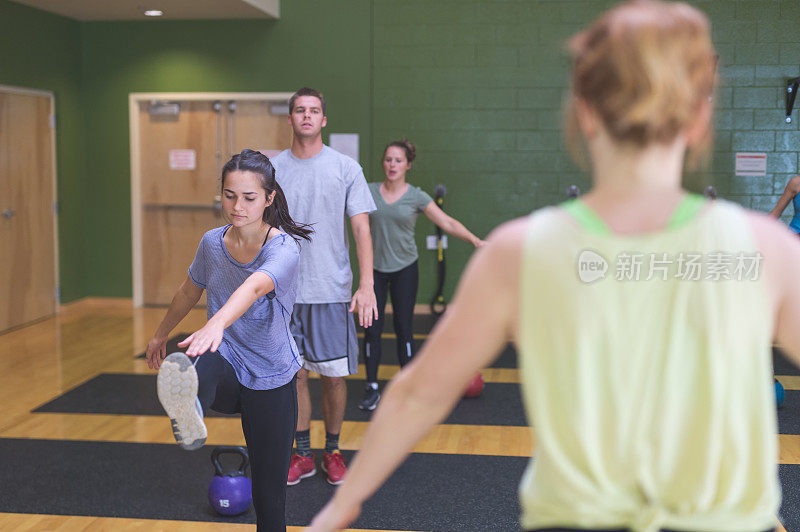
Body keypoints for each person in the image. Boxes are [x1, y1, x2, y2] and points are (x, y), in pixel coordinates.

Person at [307, 1, 800, 531]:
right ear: (700, 116)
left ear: (584, 110)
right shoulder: (766, 249)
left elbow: (420, 394)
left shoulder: (520, 251)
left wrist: (343, 504)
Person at [145, 149, 312, 532]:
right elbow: (188, 291)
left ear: (269, 198)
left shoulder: (283, 248)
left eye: (249, 197)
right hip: (228, 367)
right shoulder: (211, 243)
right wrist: (160, 333)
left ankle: (196, 396)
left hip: (272, 376)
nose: (237, 206)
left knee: (270, 503)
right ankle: (191, 409)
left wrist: (216, 322)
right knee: (199, 356)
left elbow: (254, 286)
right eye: (230, 195)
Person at [270, 87, 378, 486]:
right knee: (294, 376)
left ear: (324, 120)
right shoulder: (273, 170)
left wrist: (365, 285)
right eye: (300, 110)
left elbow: (362, 228)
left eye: (314, 111)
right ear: (290, 119)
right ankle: (302, 453)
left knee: (333, 378)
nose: (307, 117)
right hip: (284, 292)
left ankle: (332, 449)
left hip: (331, 290)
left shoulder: (345, 168)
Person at [359, 138, 485, 411]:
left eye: (398, 160)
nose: (392, 165)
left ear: (408, 165)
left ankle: (408, 387)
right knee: (372, 330)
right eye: (389, 159)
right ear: (383, 162)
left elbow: (447, 221)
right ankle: (371, 387)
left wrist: (475, 241)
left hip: (405, 268)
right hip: (375, 271)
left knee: (404, 328)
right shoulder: (368, 191)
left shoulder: (416, 196)